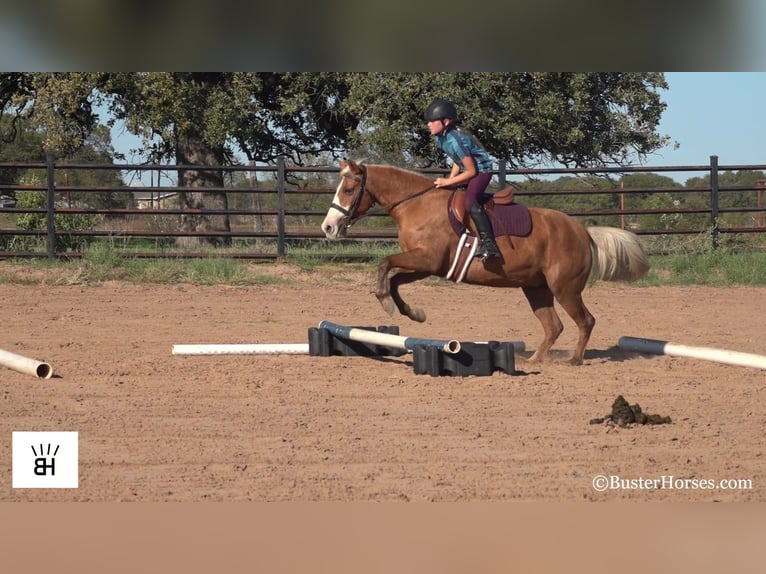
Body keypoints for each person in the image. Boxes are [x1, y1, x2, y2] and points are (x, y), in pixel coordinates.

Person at [425, 97, 501, 261]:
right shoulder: (440, 138)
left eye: (432, 121)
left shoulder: (456, 140)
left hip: (481, 171)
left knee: (469, 202)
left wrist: (447, 181)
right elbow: (457, 160)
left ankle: (490, 245)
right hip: (469, 170)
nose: (428, 124)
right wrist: (451, 179)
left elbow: (471, 171)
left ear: (445, 122)